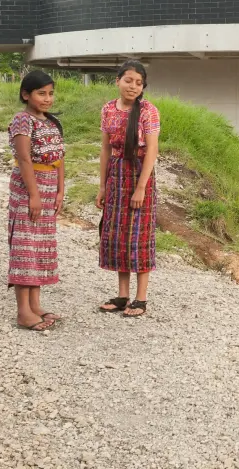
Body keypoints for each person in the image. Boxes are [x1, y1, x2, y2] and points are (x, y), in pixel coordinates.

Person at [95, 59, 161, 318]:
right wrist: (102, 186)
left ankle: (140, 299)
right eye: (128, 80)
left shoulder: (148, 111)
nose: (133, 86)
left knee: (140, 236)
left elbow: (152, 150)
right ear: (117, 81)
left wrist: (141, 187)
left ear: (143, 86)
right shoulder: (108, 109)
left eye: (138, 82)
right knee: (118, 236)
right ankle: (122, 296)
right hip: (116, 174)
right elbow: (105, 148)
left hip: (139, 174)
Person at [7, 70, 66, 331]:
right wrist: (33, 195)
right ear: (26, 95)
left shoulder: (51, 122)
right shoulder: (22, 121)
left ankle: (35, 305)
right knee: (25, 247)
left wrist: (60, 190)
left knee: (40, 248)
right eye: (41, 93)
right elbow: (24, 159)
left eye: (50, 93)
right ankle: (23, 312)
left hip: (49, 188)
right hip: (28, 190)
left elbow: (59, 158)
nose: (47, 98)